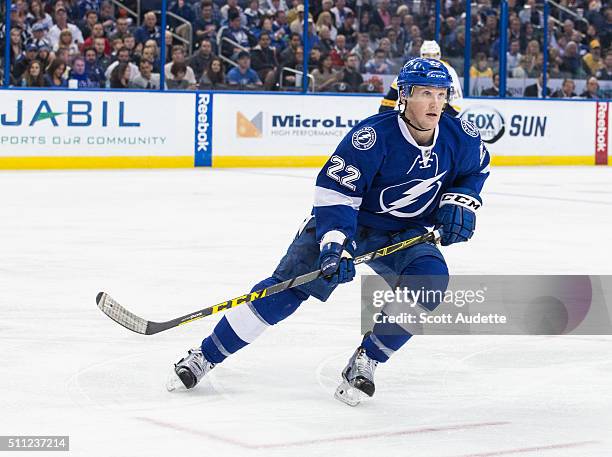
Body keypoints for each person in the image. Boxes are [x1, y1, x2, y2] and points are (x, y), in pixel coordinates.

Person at [168, 58, 490, 406]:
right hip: (351, 222)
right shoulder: (371, 138)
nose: (434, 103)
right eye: (425, 93)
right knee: (283, 294)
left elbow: (477, 169)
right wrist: (335, 246)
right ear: (405, 96)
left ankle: (366, 360)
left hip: (405, 232)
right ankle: (205, 355)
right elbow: (336, 197)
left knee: (429, 281)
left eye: (441, 95)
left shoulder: (461, 136)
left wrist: (462, 201)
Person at [379, 40, 463, 116]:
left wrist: (435, 120)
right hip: (411, 119)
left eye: (434, 55)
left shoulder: (449, 71)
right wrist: (385, 117)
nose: (431, 58)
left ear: (439, 54)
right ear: (421, 54)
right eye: (427, 55)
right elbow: (391, 97)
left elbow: (456, 106)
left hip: (436, 117)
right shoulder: (411, 68)